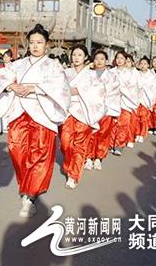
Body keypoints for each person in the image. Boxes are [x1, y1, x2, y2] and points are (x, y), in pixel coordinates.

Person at [0, 24, 70, 217]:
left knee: (40, 155)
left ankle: (30, 196)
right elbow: (2, 76)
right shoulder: (18, 64)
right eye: (32, 42)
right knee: (17, 152)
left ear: (47, 45)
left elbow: (60, 86)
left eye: (39, 42)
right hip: (19, 112)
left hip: (43, 114)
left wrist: (36, 88)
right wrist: (11, 86)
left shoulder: (53, 66)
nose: (35, 46)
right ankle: (27, 186)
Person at [59, 45, 106, 189]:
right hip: (67, 111)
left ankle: (73, 175)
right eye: (74, 55)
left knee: (79, 145)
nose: (76, 58)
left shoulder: (92, 75)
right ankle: (68, 165)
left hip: (84, 112)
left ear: (85, 57)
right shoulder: (64, 73)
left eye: (80, 55)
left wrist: (79, 91)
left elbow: (99, 92)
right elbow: (57, 89)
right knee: (65, 143)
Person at [86, 50, 120, 171]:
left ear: (106, 61)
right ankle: (88, 157)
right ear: (93, 61)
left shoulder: (112, 77)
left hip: (107, 110)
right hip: (91, 110)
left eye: (102, 58)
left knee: (103, 134)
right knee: (90, 134)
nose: (99, 61)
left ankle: (98, 158)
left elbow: (114, 93)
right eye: (96, 58)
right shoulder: (87, 75)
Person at [111, 51, 140, 155]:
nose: (119, 60)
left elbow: (133, 87)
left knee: (123, 124)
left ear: (125, 60)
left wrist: (121, 89)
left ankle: (119, 145)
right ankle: (111, 143)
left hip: (125, 101)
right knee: (113, 124)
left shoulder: (130, 73)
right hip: (113, 101)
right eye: (117, 58)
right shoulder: (111, 72)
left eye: (122, 58)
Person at [136, 56, 156, 143]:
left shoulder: (152, 77)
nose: (142, 65)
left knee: (144, 118)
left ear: (148, 65)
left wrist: (145, 89)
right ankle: (137, 133)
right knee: (137, 118)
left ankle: (142, 134)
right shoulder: (136, 74)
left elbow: (154, 89)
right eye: (141, 64)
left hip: (146, 99)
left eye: (145, 64)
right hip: (137, 99)